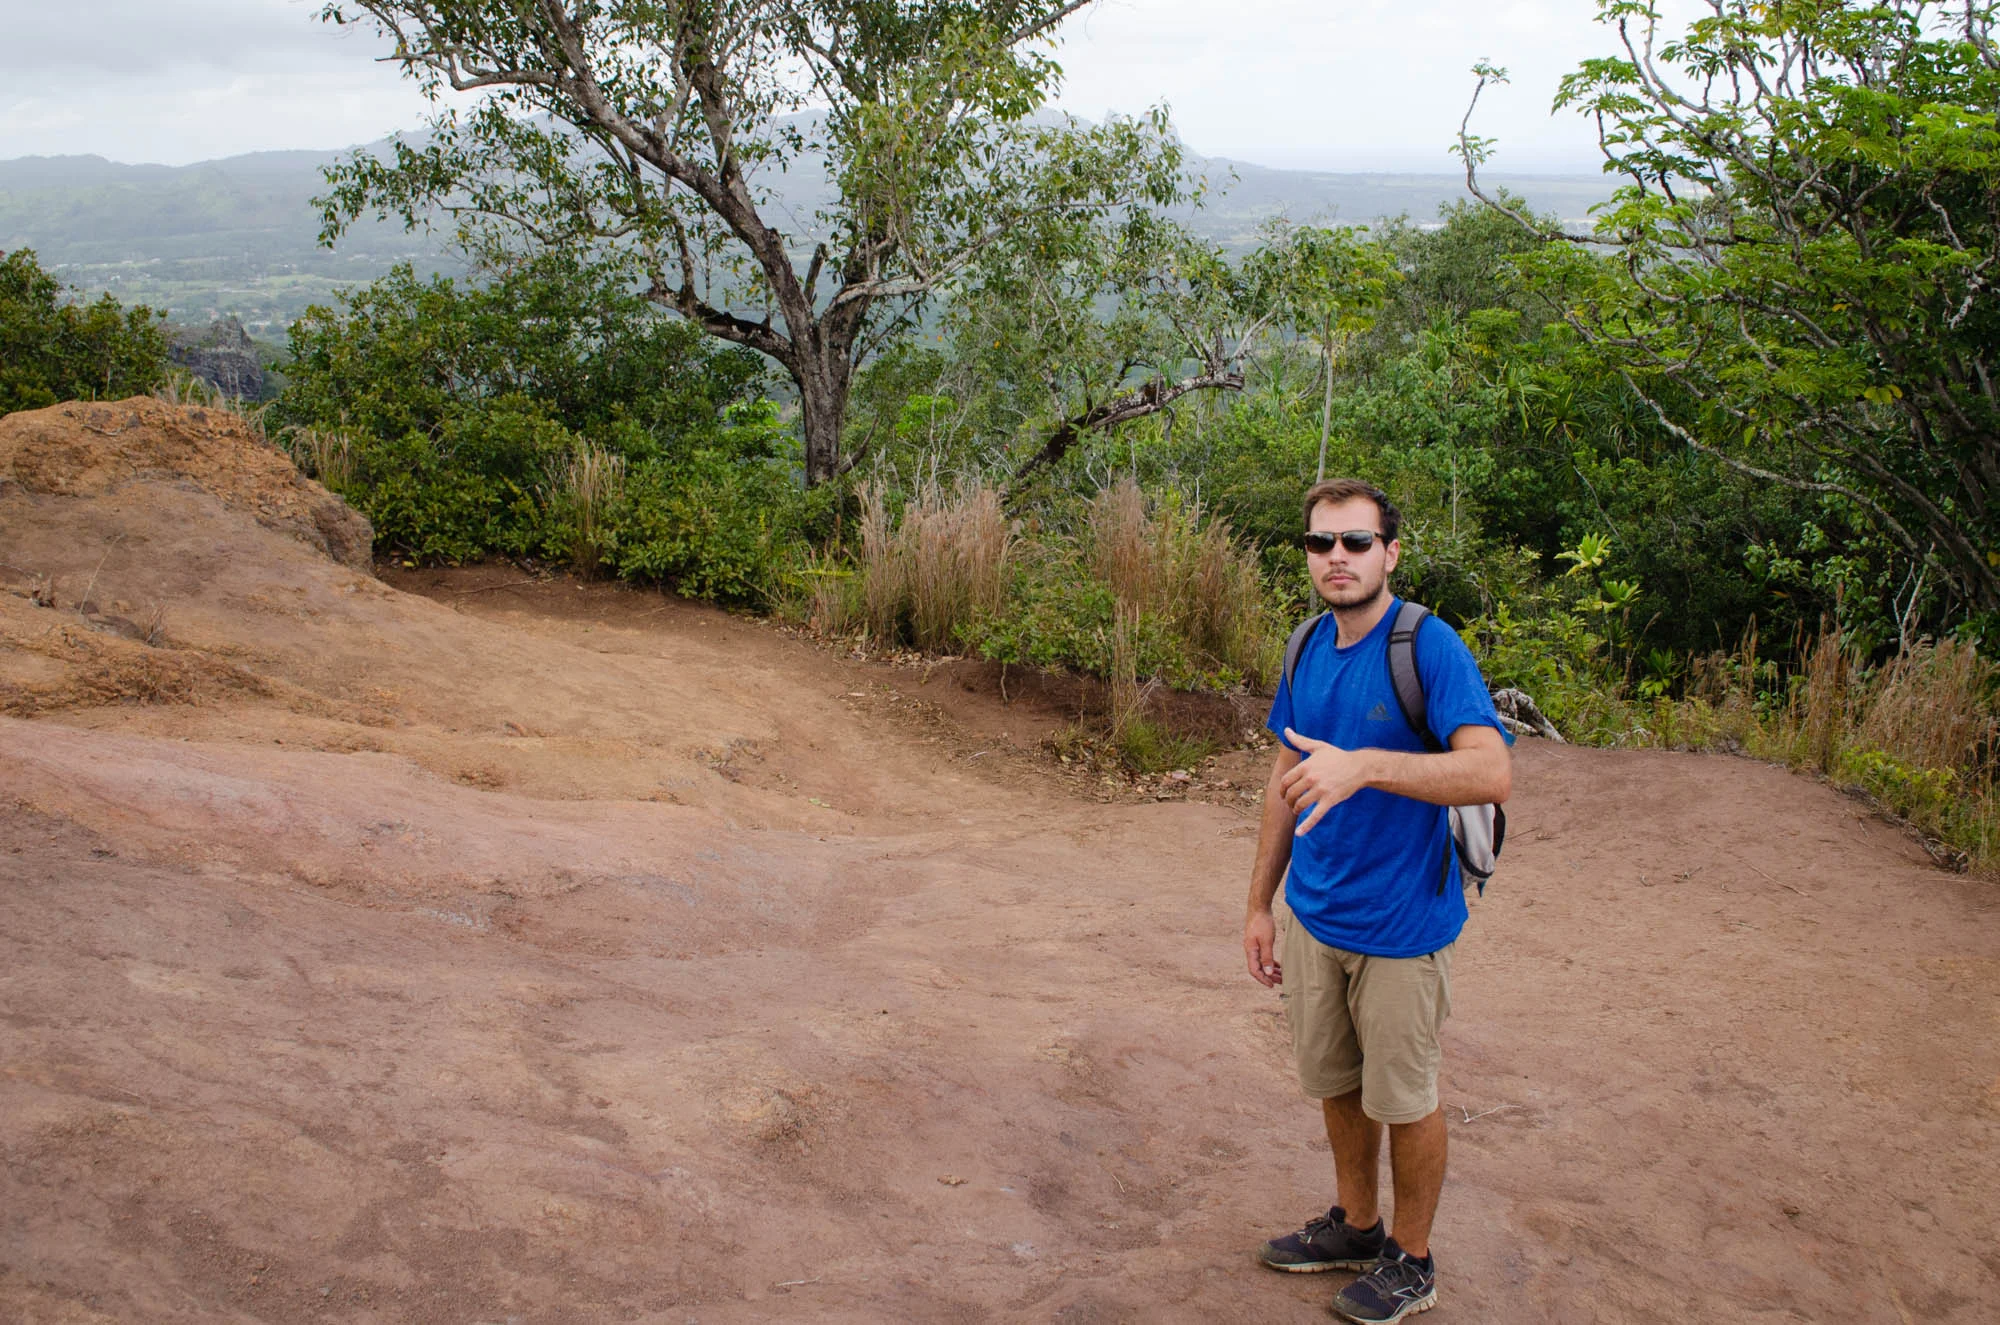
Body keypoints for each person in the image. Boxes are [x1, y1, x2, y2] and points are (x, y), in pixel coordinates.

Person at [1244, 478, 1512, 1324]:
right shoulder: (1304, 645)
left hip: (1403, 925)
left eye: (1356, 542)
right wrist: (1260, 903)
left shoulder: (1428, 646)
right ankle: (1357, 1225)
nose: (1338, 557)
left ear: (1390, 553)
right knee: (1337, 1082)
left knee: (1406, 1098)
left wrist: (1365, 765)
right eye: (1321, 542)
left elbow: (1491, 770)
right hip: (1316, 914)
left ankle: (1413, 1259)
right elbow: (1285, 775)